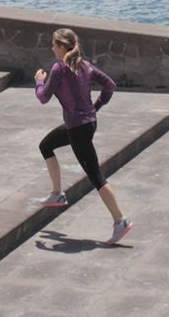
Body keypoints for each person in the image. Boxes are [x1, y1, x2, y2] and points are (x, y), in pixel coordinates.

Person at [33, 28, 131, 245]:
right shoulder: (84, 65)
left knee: (96, 177)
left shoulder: (59, 68)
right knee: (46, 145)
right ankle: (57, 193)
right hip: (86, 123)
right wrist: (96, 106)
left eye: (53, 45)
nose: (52, 48)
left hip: (78, 129)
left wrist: (39, 81)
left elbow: (43, 97)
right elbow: (110, 85)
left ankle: (120, 220)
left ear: (61, 47)